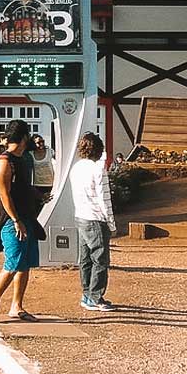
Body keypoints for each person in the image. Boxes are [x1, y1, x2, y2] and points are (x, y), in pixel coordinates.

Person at [0, 120, 43, 323]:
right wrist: (16, 220)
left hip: (28, 216)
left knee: (25, 264)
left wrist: (37, 196)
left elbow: (24, 187)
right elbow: (4, 194)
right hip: (11, 219)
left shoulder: (24, 158)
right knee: (13, 263)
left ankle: (17, 306)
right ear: (24, 137)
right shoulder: (4, 162)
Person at [70, 132, 115, 311]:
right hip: (96, 218)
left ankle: (87, 293)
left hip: (80, 215)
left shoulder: (76, 168)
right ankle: (95, 297)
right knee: (100, 259)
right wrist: (111, 222)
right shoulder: (98, 169)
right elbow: (104, 199)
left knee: (85, 258)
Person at [29, 134, 55, 201]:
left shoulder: (50, 152)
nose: (41, 143)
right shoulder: (31, 154)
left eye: (42, 141)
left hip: (50, 184)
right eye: (38, 142)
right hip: (37, 186)